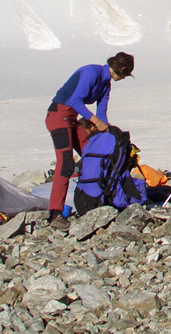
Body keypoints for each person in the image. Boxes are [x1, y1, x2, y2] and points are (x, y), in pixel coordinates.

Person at [45, 52, 135, 222]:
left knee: (93, 154)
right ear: (122, 69)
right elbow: (75, 101)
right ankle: (55, 211)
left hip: (72, 119)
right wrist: (95, 122)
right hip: (59, 115)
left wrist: (107, 135)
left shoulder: (106, 84)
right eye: (125, 74)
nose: (124, 78)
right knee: (66, 163)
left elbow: (101, 112)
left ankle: (96, 200)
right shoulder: (91, 73)